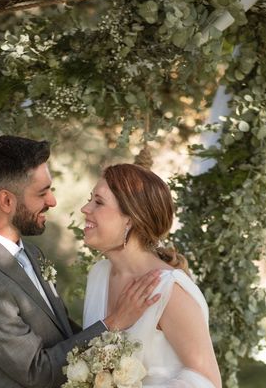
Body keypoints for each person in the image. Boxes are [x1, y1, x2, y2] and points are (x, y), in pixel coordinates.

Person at [0, 136, 162, 388]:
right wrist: (114, 322)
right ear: (6, 201)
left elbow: (62, 336)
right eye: (42, 193)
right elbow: (38, 371)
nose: (52, 201)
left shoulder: (31, 253)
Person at [81, 163, 223, 388]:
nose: (85, 209)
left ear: (130, 219)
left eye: (98, 202)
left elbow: (208, 381)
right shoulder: (99, 274)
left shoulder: (170, 290)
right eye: (90, 199)